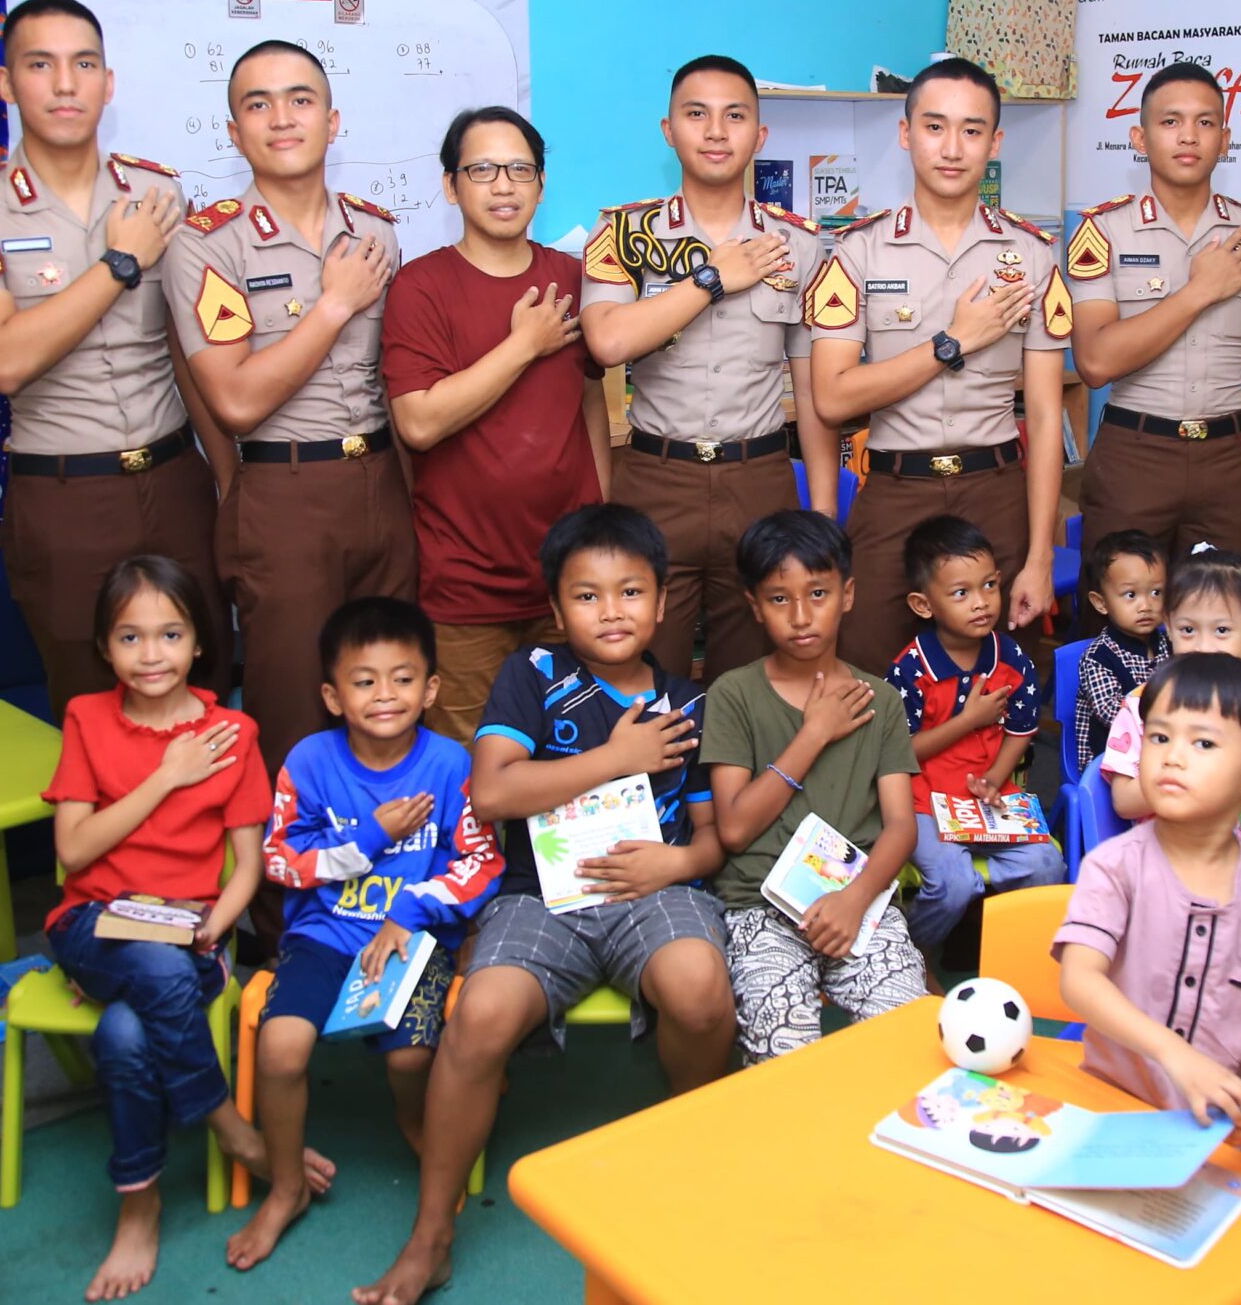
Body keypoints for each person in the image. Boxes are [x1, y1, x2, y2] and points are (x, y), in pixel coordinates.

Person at [355, 506, 731, 1305]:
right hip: (539, 896)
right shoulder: (531, 673)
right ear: (557, 610)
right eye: (587, 596)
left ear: (663, 603)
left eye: (631, 591)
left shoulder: (691, 702)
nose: (611, 610)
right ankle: (431, 1234)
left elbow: (711, 841)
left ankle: (691, 1161)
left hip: (654, 889)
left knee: (701, 990)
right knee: (481, 1013)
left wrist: (679, 862)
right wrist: (617, 757)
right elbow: (492, 793)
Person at [0, 0, 228, 719]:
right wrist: (119, 264)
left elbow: (187, 352)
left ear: (108, 82)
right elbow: (2, 359)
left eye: (84, 64)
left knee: (206, 692)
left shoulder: (156, 193)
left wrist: (228, 481)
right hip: (65, 494)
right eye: (41, 65)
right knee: (93, 709)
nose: (66, 84)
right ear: (6, 84)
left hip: (174, 480)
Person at [39, 556, 308, 1303]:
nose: (150, 654)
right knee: (152, 970)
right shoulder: (86, 718)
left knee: (125, 1034)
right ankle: (231, 1126)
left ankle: (139, 1206)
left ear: (199, 642)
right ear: (105, 647)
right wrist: (166, 773)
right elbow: (74, 852)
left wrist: (212, 927)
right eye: (130, 637)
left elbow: (248, 867)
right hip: (93, 923)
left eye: (170, 634)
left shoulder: (234, 732)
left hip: (190, 930)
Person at [165, 41, 414, 808]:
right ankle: (287, 889)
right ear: (234, 131)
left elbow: (394, 377)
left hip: (382, 485)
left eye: (301, 99)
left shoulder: (376, 232)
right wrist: (334, 303)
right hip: (285, 492)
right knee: (296, 715)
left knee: (392, 702)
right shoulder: (208, 242)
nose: (282, 118)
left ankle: (391, 875)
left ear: (332, 121)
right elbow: (236, 401)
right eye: (259, 103)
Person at [230, 598, 500, 1274]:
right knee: (281, 1050)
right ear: (332, 696)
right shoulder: (310, 761)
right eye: (364, 681)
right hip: (323, 935)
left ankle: (415, 1121)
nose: (385, 694)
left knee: (408, 1061)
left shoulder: (451, 764)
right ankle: (286, 1186)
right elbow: (278, 860)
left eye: (403, 678)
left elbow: (480, 864)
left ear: (430, 689)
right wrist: (371, 840)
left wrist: (408, 911)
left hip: (413, 938)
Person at [804, 57, 1067, 672]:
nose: (952, 148)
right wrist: (953, 342)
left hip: (995, 492)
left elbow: (1046, 416)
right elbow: (833, 398)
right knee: (866, 672)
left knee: (1004, 681)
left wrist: (1040, 556)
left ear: (995, 143)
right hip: (896, 491)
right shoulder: (858, 250)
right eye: (934, 126)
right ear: (905, 133)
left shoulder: (1032, 254)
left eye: (972, 130)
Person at [581, 54, 839, 681]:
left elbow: (813, 392)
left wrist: (823, 517)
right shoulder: (624, 231)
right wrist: (713, 278)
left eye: (735, 116)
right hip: (655, 479)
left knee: (756, 682)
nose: (716, 132)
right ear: (668, 130)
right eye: (697, 114)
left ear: (760, 135)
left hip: (759, 480)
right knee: (641, 675)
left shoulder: (800, 244)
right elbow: (607, 343)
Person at [381, 106, 606, 741]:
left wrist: (600, 506)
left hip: (569, 580)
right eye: (481, 170)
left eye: (519, 169)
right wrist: (523, 345)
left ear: (541, 184)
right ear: (451, 186)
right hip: (465, 587)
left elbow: (591, 398)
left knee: (577, 758)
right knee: (473, 767)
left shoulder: (573, 278)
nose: (503, 185)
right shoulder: (421, 286)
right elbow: (419, 422)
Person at [1053, 653, 1241, 1130]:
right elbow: (1079, 979)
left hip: (1215, 1126)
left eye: (1203, 742)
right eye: (1159, 737)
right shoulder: (1115, 867)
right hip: (1105, 1110)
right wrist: (1172, 1053)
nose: (1172, 756)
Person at [703, 509, 929, 1061]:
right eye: (779, 599)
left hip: (859, 898)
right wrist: (814, 733)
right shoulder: (734, 694)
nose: (801, 616)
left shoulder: (880, 700)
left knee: (910, 1040)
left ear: (847, 595)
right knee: (783, 1049)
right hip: (759, 905)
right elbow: (734, 829)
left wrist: (855, 899)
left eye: (819, 594)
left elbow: (901, 827)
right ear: (755, 605)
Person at [1065, 63, 1241, 584]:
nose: (1188, 136)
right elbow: (1096, 362)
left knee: (1221, 620)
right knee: (1117, 619)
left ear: (1225, 140)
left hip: (1227, 463)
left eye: (1205, 122)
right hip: (1134, 457)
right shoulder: (1104, 231)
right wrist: (1199, 291)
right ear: (1140, 138)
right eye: (1170, 121)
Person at [885, 515, 1067, 955]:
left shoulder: (1011, 657)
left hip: (987, 800)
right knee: (954, 882)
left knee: (1047, 864)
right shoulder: (910, 669)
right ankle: (910, 954)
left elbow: (1022, 729)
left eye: (989, 586)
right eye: (961, 593)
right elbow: (897, 752)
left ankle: (1010, 952)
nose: (982, 602)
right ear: (923, 605)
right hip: (923, 805)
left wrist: (994, 779)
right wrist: (967, 721)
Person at [1098, 549, 1241, 835]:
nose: (1204, 646)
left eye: (1222, 630)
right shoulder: (1143, 705)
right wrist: (1183, 774)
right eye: (1188, 630)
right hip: (1164, 855)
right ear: (1169, 626)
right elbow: (1124, 802)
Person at [1070, 529, 1169, 780]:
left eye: (1156, 592)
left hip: (1161, 747)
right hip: (1113, 762)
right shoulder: (1098, 657)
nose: (1146, 605)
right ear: (1101, 602)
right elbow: (1111, 713)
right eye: (1131, 595)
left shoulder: (1170, 644)